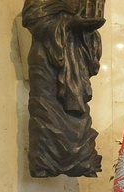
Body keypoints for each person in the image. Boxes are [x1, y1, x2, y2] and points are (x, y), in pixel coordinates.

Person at [22, 0, 105, 177]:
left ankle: (82, 160)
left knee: (78, 118)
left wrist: (88, 27)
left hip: (75, 61)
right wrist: (69, 23)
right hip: (46, 61)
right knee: (45, 113)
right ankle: (44, 162)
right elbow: (33, 20)